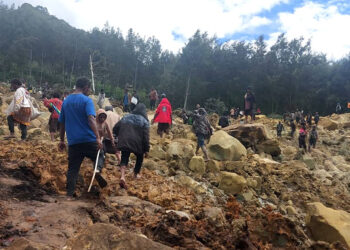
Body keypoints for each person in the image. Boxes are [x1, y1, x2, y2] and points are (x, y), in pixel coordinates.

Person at [58, 77, 107, 200]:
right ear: (85, 87)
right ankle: (97, 170)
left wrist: (62, 140)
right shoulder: (86, 100)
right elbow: (91, 119)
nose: (89, 90)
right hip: (89, 139)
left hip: (73, 142)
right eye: (89, 88)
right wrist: (97, 137)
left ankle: (69, 195)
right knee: (100, 153)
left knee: (73, 169)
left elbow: (62, 123)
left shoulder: (66, 101)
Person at [113, 103, 150, 189]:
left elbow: (115, 128)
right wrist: (146, 149)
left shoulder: (126, 116)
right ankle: (135, 174)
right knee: (140, 157)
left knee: (124, 157)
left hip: (125, 141)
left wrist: (117, 137)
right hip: (137, 143)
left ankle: (122, 176)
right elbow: (146, 137)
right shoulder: (145, 121)